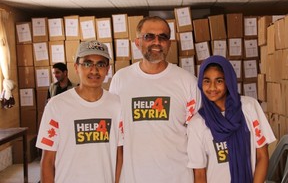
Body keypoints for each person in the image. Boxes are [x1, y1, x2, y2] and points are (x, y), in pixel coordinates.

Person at [109, 16, 201, 183]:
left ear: (169, 43)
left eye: (163, 37)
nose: (156, 42)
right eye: (149, 36)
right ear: (137, 42)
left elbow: (199, 136)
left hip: (177, 177)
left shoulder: (187, 81)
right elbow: (116, 135)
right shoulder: (121, 80)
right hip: (132, 178)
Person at [36, 41, 123, 183]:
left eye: (100, 64)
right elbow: (47, 161)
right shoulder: (57, 105)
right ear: (76, 67)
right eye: (87, 64)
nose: (94, 70)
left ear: (108, 69)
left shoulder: (117, 104)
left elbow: (120, 155)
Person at [187, 55, 276, 183]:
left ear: (228, 81)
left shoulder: (249, 107)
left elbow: (262, 156)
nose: (212, 87)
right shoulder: (197, 123)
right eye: (207, 81)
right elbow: (200, 174)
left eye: (219, 81)